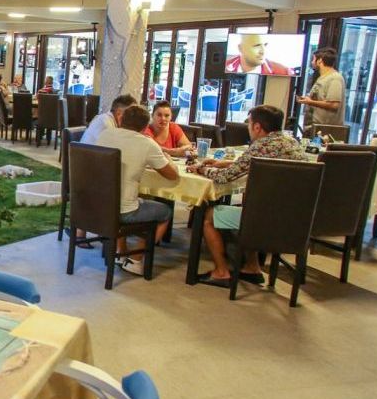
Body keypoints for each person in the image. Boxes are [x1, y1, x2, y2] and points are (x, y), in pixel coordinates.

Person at [191, 105, 307, 287]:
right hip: (295, 219)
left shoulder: (261, 145)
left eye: (249, 124)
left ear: (257, 127)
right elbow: (255, 163)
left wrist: (201, 169)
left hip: (266, 220)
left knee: (208, 218)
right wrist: (226, 163)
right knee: (250, 206)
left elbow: (224, 178)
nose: (249, 128)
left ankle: (221, 272)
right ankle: (252, 268)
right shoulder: (292, 143)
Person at [95, 105, 178, 272]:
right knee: (165, 212)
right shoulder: (146, 144)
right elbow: (172, 175)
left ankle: (121, 252)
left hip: (99, 205)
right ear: (145, 127)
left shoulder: (105, 135)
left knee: (128, 197)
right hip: (125, 211)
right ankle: (136, 259)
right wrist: (168, 159)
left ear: (121, 119)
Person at [297, 48, 346, 128]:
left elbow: (334, 105)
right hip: (315, 126)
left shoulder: (335, 78)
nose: (312, 62)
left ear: (320, 61)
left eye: (313, 59)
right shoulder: (323, 77)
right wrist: (308, 100)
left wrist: (310, 102)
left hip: (325, 129)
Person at [226, 33, 292, 75]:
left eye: (265, 45)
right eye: (257, 45)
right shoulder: (225, 66)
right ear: (240, 48)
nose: (263, 52)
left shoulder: (284, 71)